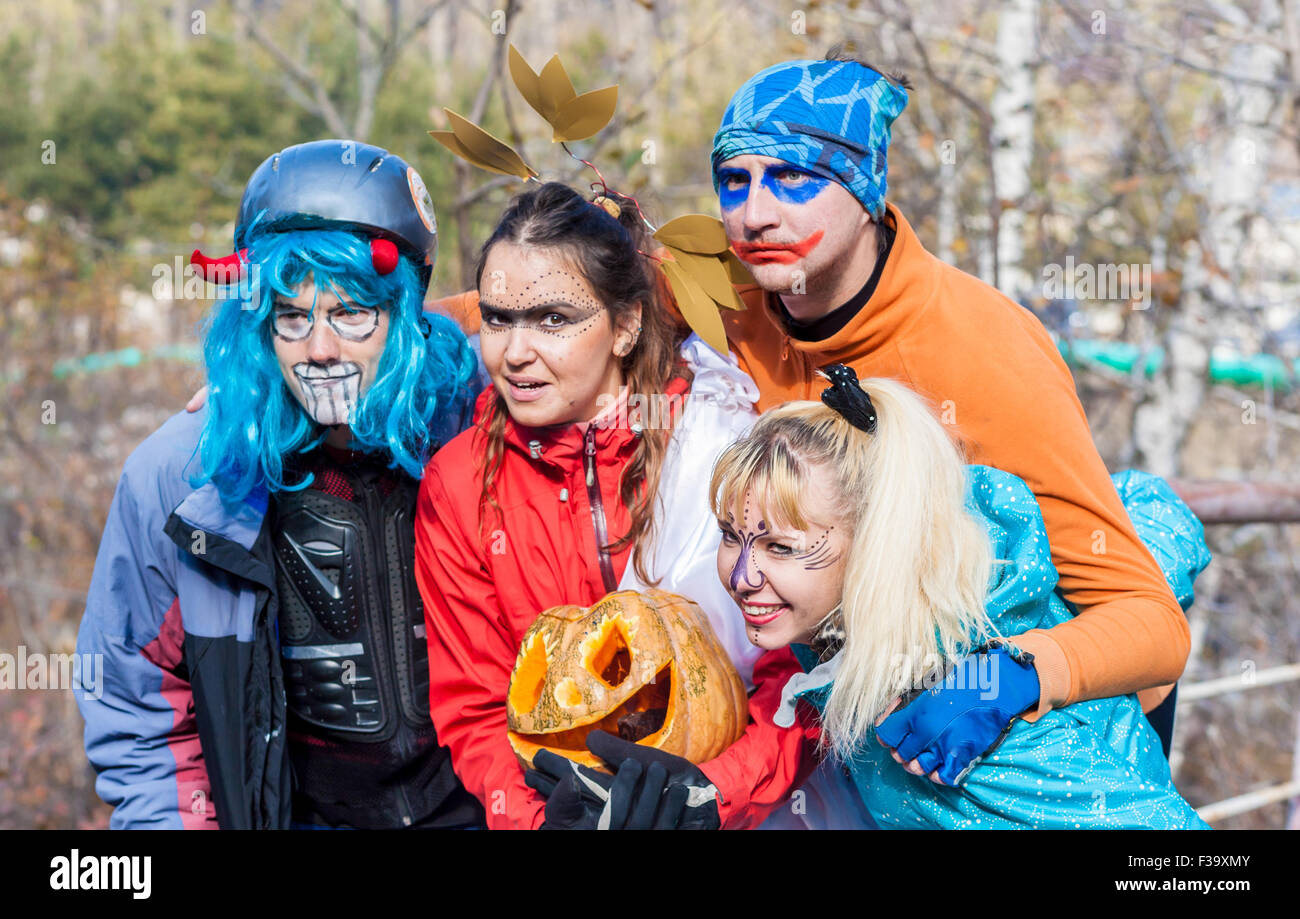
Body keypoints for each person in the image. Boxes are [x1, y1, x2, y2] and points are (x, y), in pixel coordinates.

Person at [433, 50, 1192, 789]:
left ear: (866, 191)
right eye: (735, 181)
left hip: (1029, 737)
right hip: (842, 719)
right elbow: (547, 297)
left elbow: (1151, 623)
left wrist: (1012, 678)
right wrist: (383, 318)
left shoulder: (987, 351)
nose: (756, 213)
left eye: (795, 178)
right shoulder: (731, 285)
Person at [75, 139, 485, 829]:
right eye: (291, 317)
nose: (320, 347)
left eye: (351, 312)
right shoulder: (183, 481)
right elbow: (139, 709)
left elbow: (594, 307)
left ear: (407, 317)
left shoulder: (485, 417)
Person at [413, 181, 821, 830]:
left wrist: (712, 796)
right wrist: (539, 822)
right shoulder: (460, 481)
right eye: (497, 318)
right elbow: (477, 704)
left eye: (554, 319)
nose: (515, 352)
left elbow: (803, 670)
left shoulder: (726, 442)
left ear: (626, 323)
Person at [705, 365, 1211, 829]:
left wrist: (1036, 674)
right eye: (730, 536)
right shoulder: (835, 634)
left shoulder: (966, 716)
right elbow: (1141, 501)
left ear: (875, 546)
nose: (743, 576)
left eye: (781, 547)